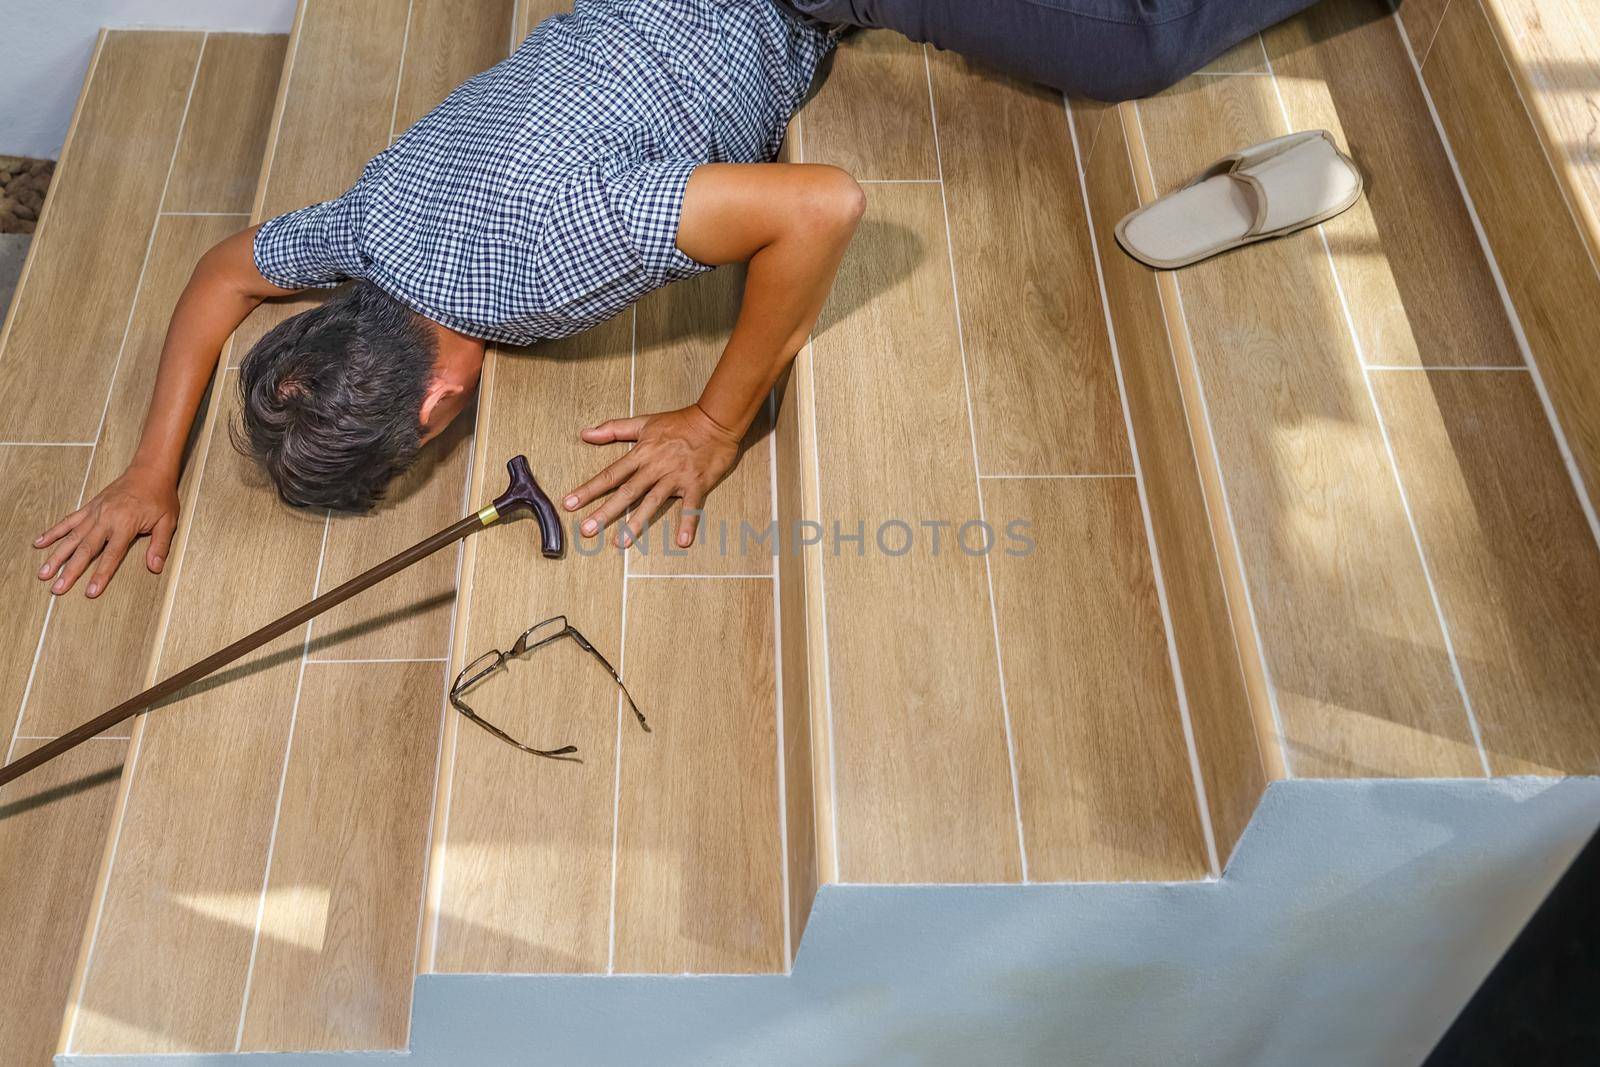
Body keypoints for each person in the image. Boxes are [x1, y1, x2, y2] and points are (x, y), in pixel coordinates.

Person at [34, 0, 1317, 599]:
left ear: (436, 406)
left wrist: (716, 421)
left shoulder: (539, 269)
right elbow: (219, 272)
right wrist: (153, 470)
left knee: (1137, 44)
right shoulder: (370, 225)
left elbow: (820, 206)